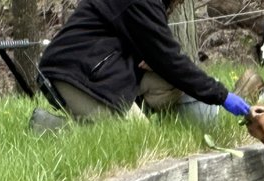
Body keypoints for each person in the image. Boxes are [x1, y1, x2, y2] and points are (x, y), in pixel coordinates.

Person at [30, 0, 251, 131]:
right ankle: (48, 127)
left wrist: (151, 58)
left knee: (171, 83)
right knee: (138, 137)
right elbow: (171, 60)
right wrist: (222, 96)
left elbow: (158, 57)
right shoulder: (141, 2)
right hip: (76, 75)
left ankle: (123, 116)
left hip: (105, 70)